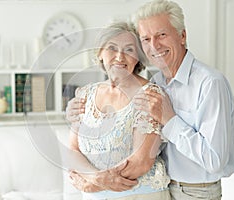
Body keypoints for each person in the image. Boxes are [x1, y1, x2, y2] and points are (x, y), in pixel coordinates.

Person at [66, 0, 234, 199]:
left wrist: (170, 119)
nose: (154, 45)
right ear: (100, 53)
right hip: (164, 185)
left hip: (195, 191)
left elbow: (214, 160)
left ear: (182, 36)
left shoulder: (210, 83)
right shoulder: (158, 82)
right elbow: (74, 148)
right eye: (146, 39)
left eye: (162, 35)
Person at [67, 21, 171, 200]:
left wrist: (94, 184)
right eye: (112, 48)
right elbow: (73, 149)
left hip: (139, 195)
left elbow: (142, 161)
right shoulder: (85, 94)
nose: (120, 57)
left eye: (129, 50)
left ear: (138, 56)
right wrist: (96, 179)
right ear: (100, 53)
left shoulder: (149, 94)